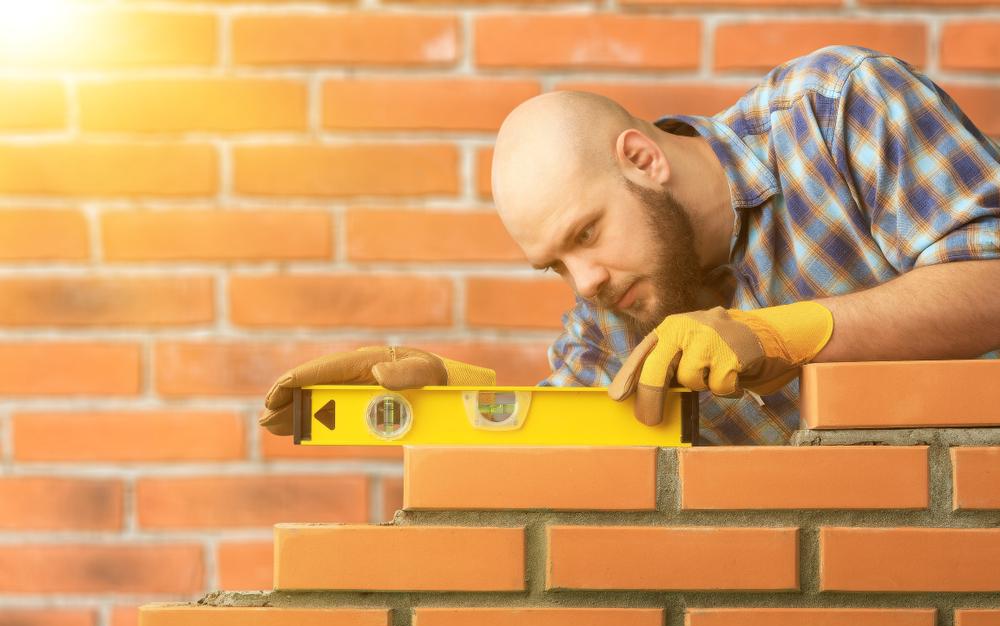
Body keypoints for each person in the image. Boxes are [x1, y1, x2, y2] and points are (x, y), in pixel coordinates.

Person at [259, 45, 1000, 445]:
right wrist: (446, 403)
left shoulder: (837, 110)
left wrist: (784, 334)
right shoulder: (616, 315)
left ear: (644, 159)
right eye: (555, 262)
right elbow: (561, 451)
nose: (583, 282)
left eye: (585, 233)